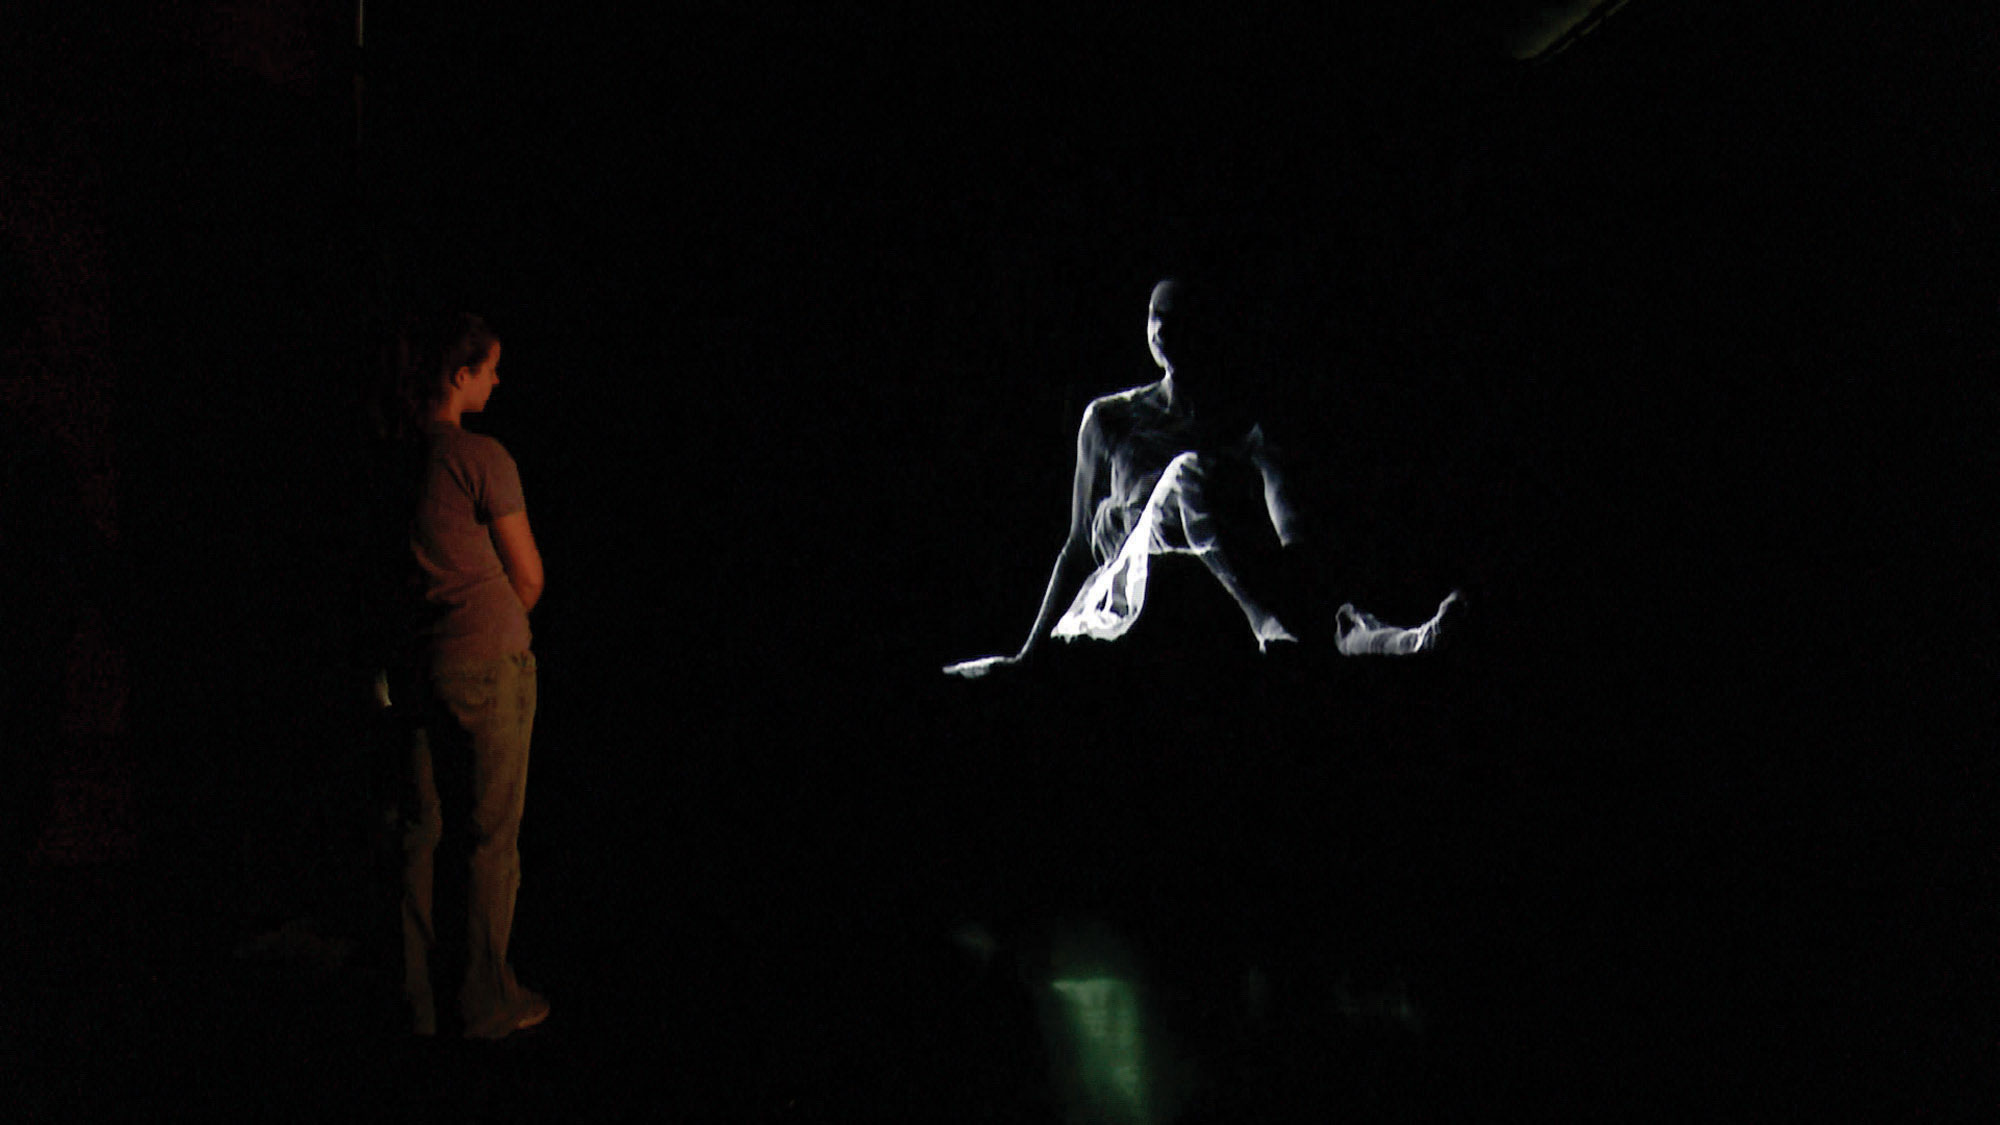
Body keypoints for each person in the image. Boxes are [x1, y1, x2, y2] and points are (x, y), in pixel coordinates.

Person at [945, 278, 1454, 679]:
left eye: (1177, 320)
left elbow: (1287, 516)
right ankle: (1265, 622)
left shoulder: (1237, 426)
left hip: (1211, 565)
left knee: (1312, 601)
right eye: (1154, 317)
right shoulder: (1110, 419)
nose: (1163, 330)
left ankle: (1405, 640)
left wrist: (1296, 564)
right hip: (1130, 582)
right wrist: (1026, 655)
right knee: (1185, 472)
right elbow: (1077, 544)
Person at [382, 313, 549, 1038]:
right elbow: (529, 574)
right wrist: (494, 625)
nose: (498, 380)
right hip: (486, 664)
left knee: (421, 833)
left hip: (420, 666)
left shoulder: (394, 460)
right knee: (488, 837)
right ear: (460, 376)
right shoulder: (480, 455)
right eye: (490, 368)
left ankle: (414, 1001)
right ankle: (483, 1000)